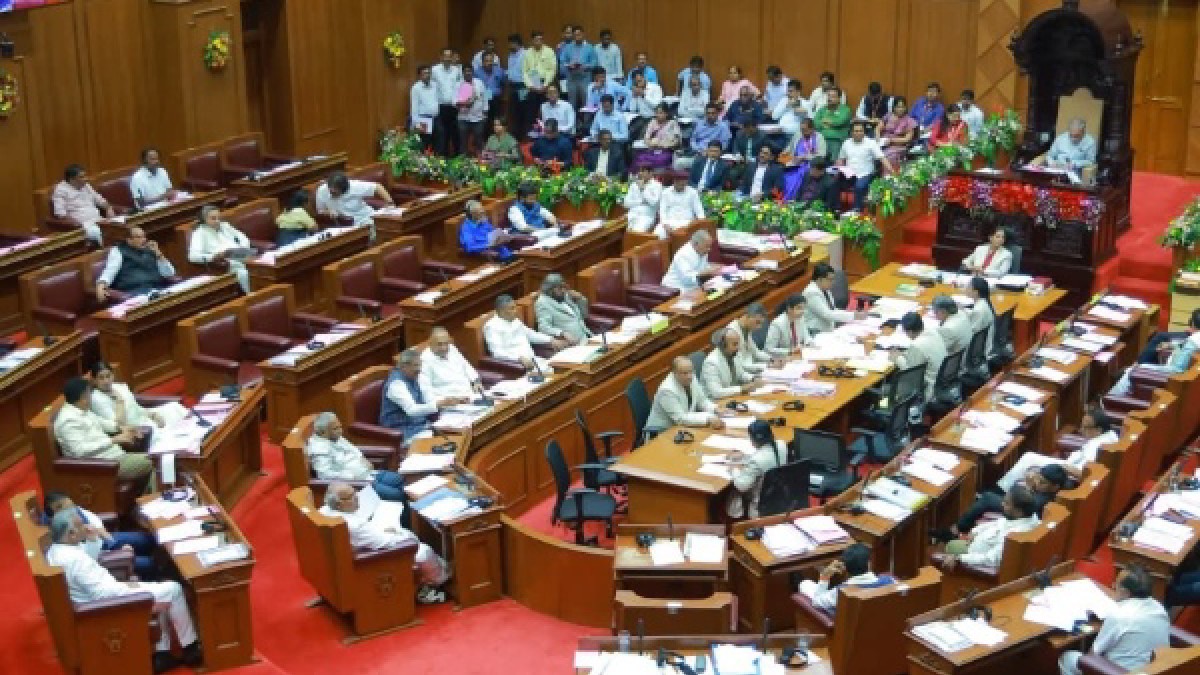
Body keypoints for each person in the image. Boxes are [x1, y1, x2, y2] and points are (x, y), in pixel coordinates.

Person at [46, 510, 202, 673]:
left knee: (161, 592)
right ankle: (191, 649)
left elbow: (89, 563)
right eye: (80, 525)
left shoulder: (58, 551)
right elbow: (103, 594)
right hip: (107, 606)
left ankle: (162, 654)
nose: (85, 527)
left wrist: (93, 540)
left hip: (99, 598)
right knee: (173, 589)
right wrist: (130, 588)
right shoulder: (76, 560)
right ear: (71, 534)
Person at [320, 482, 451, 604]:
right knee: (423, 551)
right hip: (369, 563)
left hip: (347, 557)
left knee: (397, 530)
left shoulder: (324, 511)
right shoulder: (354, 525)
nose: (357, 497)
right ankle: (442, 581)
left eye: (355, 493)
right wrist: (407, 537)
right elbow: (385, 543)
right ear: (339, 504)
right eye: (351, 496)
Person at [1060, 565, 1169, 675]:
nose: (1112, 586)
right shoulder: (1160, 609)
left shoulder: (1119, 614)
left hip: (1120, 672)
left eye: (1116, 584)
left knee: (1068, 658)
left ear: (1126, 592)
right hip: (1155, 670)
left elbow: (1092, 655)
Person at [55, 376, 153, 486]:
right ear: (83, 397)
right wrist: (113, 440)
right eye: (89, 393)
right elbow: (79, 451)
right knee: (154, 461)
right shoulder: (68, 421)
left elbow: (101, 422)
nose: (91, 396)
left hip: (113, 456)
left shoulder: (81, 409)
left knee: (155, 460)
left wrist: (122, 428)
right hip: (103, 465)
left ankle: (149, 494)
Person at [996, 406, 1118, 494]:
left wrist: (1063, 467)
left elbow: (1085, 474)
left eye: (1085, 427)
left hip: (1069, 472)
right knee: (1029, 457)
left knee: (1029, 458)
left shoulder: (1100, 446)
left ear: (1098, 430)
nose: (1081, 430)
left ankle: (1003, 490)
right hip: (1070, 464)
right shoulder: (1109, 436)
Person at [42, 490, 158, 580]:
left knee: (147, 539)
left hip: (101, 540)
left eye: (73, 507)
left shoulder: (69, 510)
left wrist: (101, 531)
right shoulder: (61, 533)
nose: (74, 511)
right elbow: (89, 557)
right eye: (70, 509)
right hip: (100, 556)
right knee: (150, 563)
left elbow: (89, 515)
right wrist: (123, 553)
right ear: (56, 510)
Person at [942, 464, 1067, 540]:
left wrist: (1029, 487)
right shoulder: (1053, 488)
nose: (1038, 483)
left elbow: (1026, 504)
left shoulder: (1043, 499)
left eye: (1042, 482)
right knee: (989, 494)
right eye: (1038, 479)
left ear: (1055, 486)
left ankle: (958, 529)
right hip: (1019, 506)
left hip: (1020, 513)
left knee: (988, 498)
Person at [306, 412, 407, 501]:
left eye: (340, 426)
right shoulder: (319, 450)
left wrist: (363, 459)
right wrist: (352, 476)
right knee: (400, 495)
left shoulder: (334, 436)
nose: (340, 430)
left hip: (370, 473)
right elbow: (325, 476)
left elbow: (353, 448)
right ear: (323, 433)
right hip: (360, 484)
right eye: (336, 428)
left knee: (403, 481)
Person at [937, 484, 1040, 571]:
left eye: (1007, 503)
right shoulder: (1022, 517)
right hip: (974, 542)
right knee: (952, 545)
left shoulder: (1014, 535)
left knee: (947, 551)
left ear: (1019, 511)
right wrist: (975, 531)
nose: (1002, 504)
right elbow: (998, 523)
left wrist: (959, 558)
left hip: (975, 561)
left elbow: (991, 560)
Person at [380, 349, 467, 444]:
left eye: (420, 365)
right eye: (416, 365)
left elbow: (428, 399)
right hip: (401, 430)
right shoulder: (396, 384)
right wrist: (438, 404)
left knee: (457, 431)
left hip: (420, 425)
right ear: (404, 366)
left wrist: (452, 400)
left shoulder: (413, 376)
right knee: (439, 442)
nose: (419, 369)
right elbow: (412, 410)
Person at [1108, 309, 1200, 396]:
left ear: (1192, 324)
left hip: (1170, 378)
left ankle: (1110, 400)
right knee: (1133, 370)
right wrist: (1174, 345)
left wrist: (1143, 367)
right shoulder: (1194, 340)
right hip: (1172, 373)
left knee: (1133, 371)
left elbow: (1177, 370)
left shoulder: (1193, 342)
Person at [88, 361, 188, 429]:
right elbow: (118, 426)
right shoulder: (96, 399)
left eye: (108, 376)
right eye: (101, 378)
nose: (106, 381)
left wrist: (152, 415)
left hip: (143, 418)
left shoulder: (120, 387)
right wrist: (119, 401)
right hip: (136, 429)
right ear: (94, 380)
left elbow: (136, 408)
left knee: (174, 408)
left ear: (112, 375)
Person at [799, 543, 894, 615]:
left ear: (845, 567)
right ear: (869, 563)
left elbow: (816, 602)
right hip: (878, 626)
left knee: (805, 584)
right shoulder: (890, 582)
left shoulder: (841, 592)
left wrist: (824, 576)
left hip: (845, 627)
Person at [483, 294, 564, 374]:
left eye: (515, 307)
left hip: (533, 361)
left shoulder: (514, 320)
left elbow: (530, 334)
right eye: (512, 308)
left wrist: (550, 339)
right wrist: (519, 358)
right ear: (501, 311)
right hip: (516, 367)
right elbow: (497, 353)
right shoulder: (491, 327)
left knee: (559, 369)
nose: (516, 311)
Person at [645, 356, 724, 435]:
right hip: (663, 433)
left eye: (691, 371)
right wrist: (708, 418)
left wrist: (715, 409)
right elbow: (680, 418)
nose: (689, 376)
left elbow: (702, 401)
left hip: (682, 428)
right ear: (674, 373)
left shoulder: (691, 378)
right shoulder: (667, 390)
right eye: (684, 373)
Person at [726, 420, 788, 519]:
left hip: (761, 506)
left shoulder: (756, 460)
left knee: (733, 491)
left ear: (752, 439)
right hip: (779, 497)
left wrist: (733, 470)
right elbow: (767, 457)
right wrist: (745, 457)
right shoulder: (782, 445)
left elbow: (742, 486)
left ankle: (734, 520)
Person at [95, 226, 175, 301]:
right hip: (135, 293)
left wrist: (158, 253)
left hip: (158, 289)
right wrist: (101, 285)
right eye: (139, 237)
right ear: (129, 240)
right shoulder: (118, 251)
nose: (144, 240)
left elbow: (169, 274)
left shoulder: (151, 249)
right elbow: (110, 270)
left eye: (144, 236)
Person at [188, 205, 251, 292]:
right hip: (225, 262)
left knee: (261, 264)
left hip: (242, 254)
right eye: (213, 218)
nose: (217, 221)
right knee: (244, 273)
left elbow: (244, 238)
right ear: (204, 220)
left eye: (218, 218)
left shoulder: (225, 226)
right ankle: (250, 294)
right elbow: (192, 256)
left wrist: (243, 248)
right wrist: (214, 257)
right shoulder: (199, 233)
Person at [889, 312, 948, 402]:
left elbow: (912, 374)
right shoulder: (932, 332)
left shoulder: (917, 345)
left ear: (910, 332)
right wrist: (904, 354)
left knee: (889, 387)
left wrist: (897, 358)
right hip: (942, 382)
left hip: (929, 389)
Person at [315, 171, 393, 238]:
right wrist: (328, 212)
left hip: (365, 218)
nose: (333, 194)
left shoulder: (354, 186)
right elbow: (320, 211)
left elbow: (378, 187)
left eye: (336, 192)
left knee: (377, 234)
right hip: (344, 226)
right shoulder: (321, 191)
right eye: (331, 191)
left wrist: (390, 203)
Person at [836, 121, 893, 210]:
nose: (858, 133)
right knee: (833, 183)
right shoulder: (846, 143)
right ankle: (836, 209)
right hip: (849, 174)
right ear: (851, 132)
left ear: (864, 132)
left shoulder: (871, 143)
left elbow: (882, 158)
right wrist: (837, 169)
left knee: (859, 186)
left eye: (861, 131)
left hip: (866, 174)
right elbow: (841, 159)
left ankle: (857, 209)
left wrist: (891, 170)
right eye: (856, 131)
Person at [52, 164, 114, 245]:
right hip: (84, 225)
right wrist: (78, 226)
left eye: (85, 176)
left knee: (120, 225)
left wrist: (109, 208)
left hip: (99, 220)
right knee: (99, 232)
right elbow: (61, 214)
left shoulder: (86, 185)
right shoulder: (60, 190)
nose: (86, 179)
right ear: (72, 179)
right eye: (82, 177)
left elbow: (99, 200)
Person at [420, 327, 485, 401]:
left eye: (446, 343)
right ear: (430, 343)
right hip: (452, 402)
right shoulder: (424, 360)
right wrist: (449, 401)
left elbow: (466, 366)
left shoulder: (452, 349)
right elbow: (427, 393)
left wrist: (476, 381)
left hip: (470, 394)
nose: (444, 348)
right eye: (439, 344)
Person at [803, 262, 862, 334]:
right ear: (820, 279)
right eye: (830, 279)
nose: (832, 282)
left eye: (833, 279)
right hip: (815, 332)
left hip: (827, 329)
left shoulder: (825, 289)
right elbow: (827, 314)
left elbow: (833, 309)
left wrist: (852, 314)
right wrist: (853, 316)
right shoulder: (811, 293)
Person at [535, 273, 593, 345]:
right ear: (550, 290)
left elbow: (584, 316)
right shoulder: (543, 303)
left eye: (563, 287)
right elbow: (543, 328)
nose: (563, 290)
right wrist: (562, 333)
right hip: (572, 344)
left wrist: (580, 299)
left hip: (586, 336)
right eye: (559, 288)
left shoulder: (564, 295)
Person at [702, 327, 759, 399]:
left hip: (733, 395)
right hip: (717, 401)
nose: (738, 347)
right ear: (723, 346)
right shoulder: (711, 363)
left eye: (738, 343)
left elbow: (741, 374)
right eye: (735, 344)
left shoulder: (733, 353)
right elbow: (716, 392)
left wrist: (753, 378)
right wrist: (742, 388)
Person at [522, 30, 558, 140]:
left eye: (540, 39)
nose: (538, 41)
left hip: (545, 85)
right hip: (532, 85)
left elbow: (552, 69)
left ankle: (547, 133)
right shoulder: (527, 53)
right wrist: (530, 86)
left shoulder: (549, 51)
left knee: (545, 111)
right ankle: (532, 135)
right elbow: (524, 71)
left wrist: (545, 85)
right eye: (536, 39)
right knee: (531, 112)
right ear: (532, 40)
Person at [724, 302, 778, 373]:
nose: (759, 327)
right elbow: (742, 365)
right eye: (757, 322)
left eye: (761, 323)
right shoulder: (732, 333)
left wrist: (772, 360)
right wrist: (768, 366)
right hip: (743, 373)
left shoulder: (746, 329)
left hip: (753, 368)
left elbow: (756, 352)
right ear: (747, 317)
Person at [781, 118, 827, 201]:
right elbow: (790, 147)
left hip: (810, 165)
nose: (802, 132)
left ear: (812, 129)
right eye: (801, 129)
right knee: (785, 176)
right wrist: (784, 153)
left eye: (805, 130)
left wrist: (804, 157)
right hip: (795, 163)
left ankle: (795, 200)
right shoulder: (798, 134)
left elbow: (822, 155)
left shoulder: (819, 137)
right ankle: (785, 201)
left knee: (800, 175)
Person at [430, 48, 464, 156]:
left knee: (455, 133)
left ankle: (457, 156)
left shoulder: (457, 70)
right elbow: (431, 87)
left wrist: (461, 103)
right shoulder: (434, 70)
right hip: (440, 106)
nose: (447, 58)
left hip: (454, 107)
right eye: (445, 56)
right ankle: (443, 157)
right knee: (442, 133)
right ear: (441, 57)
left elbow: (461, 87)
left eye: (449, 56)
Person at [658, 172, 706, 238]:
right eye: (678, 181)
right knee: (658, 234)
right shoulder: (666, 192)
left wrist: (702, 223)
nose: (681, 183)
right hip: (669, 222)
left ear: (686, 182)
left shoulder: (693, 192)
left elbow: (699, 211)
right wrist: (665, 224)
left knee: (695, 236)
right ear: (674, 181)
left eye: (683, 182)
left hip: (687, 223)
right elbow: (662, 211)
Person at [558, 26, 596, 109]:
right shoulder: (567, 47)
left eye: (579, 34)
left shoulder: (589, 47)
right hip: (572, 79)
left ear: (583, 34)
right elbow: (562, 62)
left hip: (585, 79)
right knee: (571, 102)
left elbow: (594, 63)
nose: (577, 37)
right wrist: (569, 65)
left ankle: (587, 117)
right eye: (575, 35)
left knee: (586, 102)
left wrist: (585, 66)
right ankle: (572, 117)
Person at [635, 104, 681, 171]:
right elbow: (646, 137)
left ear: (666, 114)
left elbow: (677, 140)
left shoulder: (673, 123)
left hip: (666, 151)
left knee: (661, 160)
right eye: (656, 113)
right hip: (653, 149)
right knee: (640, 157)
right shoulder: (653, 122)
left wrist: (665, 145)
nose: (658, 115)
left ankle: (656, 176)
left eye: (660, 113)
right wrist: (650, 143)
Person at [456, 64, 490, 156]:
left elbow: (485, 97)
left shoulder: (479, 82)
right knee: (463, 142)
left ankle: (480, 160)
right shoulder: (459, 84)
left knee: (479, 142)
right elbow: (455, 102)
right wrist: (466, 103)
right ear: (462, 73)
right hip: (464, 118)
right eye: (465, 71)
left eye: (469, 71)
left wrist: (485, 112)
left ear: (473, 72)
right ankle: (463, 160)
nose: (468, 73)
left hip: (478, 118)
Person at [878, 96, 917, 170]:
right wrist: (878, 138)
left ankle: (889, 175)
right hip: (883, 143)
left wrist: (891, 140)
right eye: (898, 107)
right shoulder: (888, 116)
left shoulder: (909, 121)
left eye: (902, 107)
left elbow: (907, 139)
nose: (900, 109)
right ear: (894, 107)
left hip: (898, 146)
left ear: (905, 108)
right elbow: (878, 128)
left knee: (887, 156)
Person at [813, 88, 852, 162]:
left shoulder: (845, 110)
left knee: (834, 164)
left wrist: (824, 121)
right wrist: (831, 123)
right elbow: (816, 123)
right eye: (829, 96)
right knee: (819, 162)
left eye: (833, 96)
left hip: (836, 141)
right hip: (821, 141)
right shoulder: (822, 109)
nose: (829, 98)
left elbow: (839, 122)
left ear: (839, 98)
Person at [623, 166, 662, 234]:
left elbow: (654, 203)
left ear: (651, 173)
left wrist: (643, 189)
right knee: (615, 227)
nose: (640, 173)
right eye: (640, 171)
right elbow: (626, 203)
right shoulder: (634, 185)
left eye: (643, 171)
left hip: (646, 216)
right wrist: (641, 201)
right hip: (631, 214)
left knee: (636, 232)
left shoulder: (657, 185)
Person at [409, 64, 439, 149]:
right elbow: (414, 107)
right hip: (423, 119)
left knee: (438, 143)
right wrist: (416, 124)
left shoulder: (434, 85)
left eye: (429, 73)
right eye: (425, 73)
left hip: (436, 118)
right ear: (420, 75)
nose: (427, 75)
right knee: (425, 144)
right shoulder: (416, 88)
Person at [965, 275, 996, 356]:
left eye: (968, 286)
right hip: (984, 344)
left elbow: (971, 334)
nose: (966, 288)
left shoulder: (979, 310)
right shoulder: (984, 302)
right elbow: (974, 314)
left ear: (976, 292)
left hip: (977, 351)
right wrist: (963, 310)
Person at [477, 52, 507, 130]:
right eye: (486, 61)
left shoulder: (499, 71)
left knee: (496, 121)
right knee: (485, 122)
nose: (489, 63)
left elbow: (504, 83)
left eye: (491, 61)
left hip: (496, 100)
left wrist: (501, 95)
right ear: (482, 62)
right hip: (482, 100)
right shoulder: (477, 72)